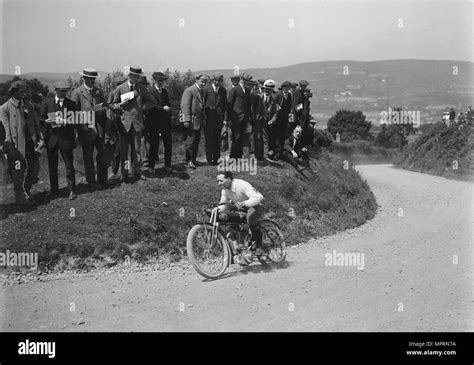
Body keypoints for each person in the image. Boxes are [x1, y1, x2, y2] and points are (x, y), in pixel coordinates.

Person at [0, 80, 43, 205]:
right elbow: (6, 130)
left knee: (35, 168)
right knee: (18, 172)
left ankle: (26, 189)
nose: (24, 93)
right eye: (21, 91)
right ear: (13, 92)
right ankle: (20, 199)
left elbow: (36, 123)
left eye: (25, 91)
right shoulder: (5, 108)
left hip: (31, 144)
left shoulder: (28, 105)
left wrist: (40, 139)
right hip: (16, 146)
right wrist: (8, 148)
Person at [111, 66, 156, 181]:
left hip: (137, 123)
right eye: (134, 76)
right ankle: (124, 173)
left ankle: (137, 171)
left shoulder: (141, 88)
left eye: (137, 76)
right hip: (124, 124)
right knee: (124, 151)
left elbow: (152, 101)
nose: (136, 78)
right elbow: (112, 105)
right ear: (129, 76)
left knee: (137, 150)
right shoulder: (120, 88)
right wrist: (121, 105)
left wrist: (142, 108)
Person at [71, 68, 110, 188]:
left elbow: (105, 106)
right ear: (84, 78)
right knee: (88, 155)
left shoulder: (98, 91)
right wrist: (81, 128)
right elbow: (74, 113)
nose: (92, 81)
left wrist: (102, 109)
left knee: (102, 153)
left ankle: (102, 179)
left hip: (99, 128)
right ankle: (91, 181)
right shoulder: (77, 93)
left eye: (94, 78)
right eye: (90, 78)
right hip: (86, 129)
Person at [41, 81, 79, 200]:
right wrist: (46, 122)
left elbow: (77, 120)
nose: (64, 93)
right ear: (56, 90)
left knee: (69, 165)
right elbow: (41, 119)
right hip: (51, 139)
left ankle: (72, 190)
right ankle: (54, 190)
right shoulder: (47, 103)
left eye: (66, 91)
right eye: (62, 91)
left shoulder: (71, 104)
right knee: (52, 166)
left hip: (66, 139)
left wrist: (66, 122)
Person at [216, 171, 265, 256]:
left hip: (256, 204)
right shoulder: (225, 190)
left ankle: (259, 247)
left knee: (251, 219)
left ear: (228, 179)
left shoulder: (241, 185)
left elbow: (256, 198)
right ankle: (241, 245)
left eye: (221, 181)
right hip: (242, 207)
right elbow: (224, 204)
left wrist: (244, 203)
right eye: (218, 181)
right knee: (232, 221)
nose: (218, 184)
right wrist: (217, 209)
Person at [180, 74, 208, 169]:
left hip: (198, 121)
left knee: (196, 141)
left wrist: (203, 118)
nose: (203, 83)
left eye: (205, 82)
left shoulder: (202, 91)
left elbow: (202, 107)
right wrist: (186, 120)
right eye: (202, 81)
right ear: (196, 80)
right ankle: (189, 161)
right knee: (190, 142)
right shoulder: (189, 90)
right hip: (191, 121)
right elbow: (185, 106)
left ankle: (194, 159)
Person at [147, 71, 173, 173]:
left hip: (165, 122)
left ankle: (168, 165)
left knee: (168, 144)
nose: (160, 82)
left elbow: (168, 103)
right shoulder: (150, 91)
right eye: (159, 81)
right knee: (154, 145)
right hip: (154, 122)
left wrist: (169, 109)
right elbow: (151, 106)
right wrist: (163, 109)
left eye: (162, 81)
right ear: (154, 80)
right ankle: (151, 166)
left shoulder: (165, 92)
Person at [203, 73, 228, 165]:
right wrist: (204, 118)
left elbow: (225, 105)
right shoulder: (206, 89)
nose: (217, 82)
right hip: (209, 119)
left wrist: (225, 119)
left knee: (217, 139)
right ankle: (209, 159)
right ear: (213, 80)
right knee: (209, 139)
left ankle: (216, 159)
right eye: (215, 80)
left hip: (219, 119)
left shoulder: (223, 90)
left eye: (219, 81)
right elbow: (203, 103)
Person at [227, 72, 253, 159]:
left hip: (244, 118)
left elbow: (248, 105)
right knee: (236, 137)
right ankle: (233, 157)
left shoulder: (247, 90)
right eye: (245, 80)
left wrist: (248, 116)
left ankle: (238, 156)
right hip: (236, 118)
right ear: (242, 80)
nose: (247, 82)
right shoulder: (235, 90)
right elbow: (229, 104)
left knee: (241, 137)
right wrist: (229, 118)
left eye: (248, 81)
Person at [106, 75, 127, 179]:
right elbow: (109, 106)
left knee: (125, 151)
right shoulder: (112, 93)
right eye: (119, 84)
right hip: (116, 123)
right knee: (117, 151)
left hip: (126, 123)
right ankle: (114, 171)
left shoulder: (128, 94)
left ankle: (125, 171)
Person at [252, 79, 277, 161]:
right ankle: (257, 155)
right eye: (266, 89)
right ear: (264, 89)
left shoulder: (273, 100)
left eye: (270, 90)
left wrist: (272, 120)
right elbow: (253, 109)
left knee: (265, 138)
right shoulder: (258, 97)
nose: (267, 91)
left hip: (266, 122)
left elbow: (275, 113)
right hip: (257, 121)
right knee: (257, 137)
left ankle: (265, 156)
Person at [273, 81, 293, 159]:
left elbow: (289, 106)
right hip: (277, 119)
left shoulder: (290, 96)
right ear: (283, 87)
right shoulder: (278, 94)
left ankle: (280, 152)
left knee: (282, 136)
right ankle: (275, 152)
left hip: (284, 120)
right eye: (286, 87)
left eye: (288, 87)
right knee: (276, 136)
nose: (287, 89)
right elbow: (274, 105)